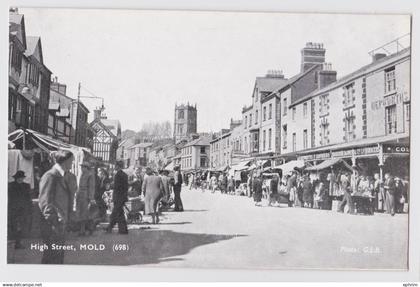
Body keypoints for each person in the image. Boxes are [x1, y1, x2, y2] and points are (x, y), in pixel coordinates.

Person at [38, 149, 75, 264]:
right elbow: (45, 203)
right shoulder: (50, 176)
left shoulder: (62, 176)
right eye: (71, 161)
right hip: (53, 226)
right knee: (51, 258)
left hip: (59, 225)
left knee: (57, 258)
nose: (72, 164)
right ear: (65, 161)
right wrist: (55, 223)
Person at [8, 170, 32, 249]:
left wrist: (29, 207)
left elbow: (28, 198)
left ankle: (18, 242)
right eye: (19, 178)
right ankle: (17, 242)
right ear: (16, 178)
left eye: (21, 178)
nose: (20, 179)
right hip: (14, 209)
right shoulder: (11, 186)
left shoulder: (26, 186)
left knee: (21, 226)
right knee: (15, 226)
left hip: (23, 209)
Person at [106, 161, 129, 234]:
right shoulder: (124, 174)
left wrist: (111, 186)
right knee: (119, 213)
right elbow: (125, 186)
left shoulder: (118, 175)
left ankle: (112, 228)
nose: (115, 167)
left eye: (115, 166)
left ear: (118, 166)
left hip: (118, 196)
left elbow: (117, 186)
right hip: (122, 196)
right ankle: (121, 229)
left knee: (116, 213)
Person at [75, 162, 96, 236]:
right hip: (80, 194)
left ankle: (87, 229)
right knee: (81, 213)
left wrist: (91, 198)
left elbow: (91, 187)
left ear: (86, 168)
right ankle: (83, 229)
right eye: (81, 167)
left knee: (85, 213)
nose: (81, 168)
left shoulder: (90, 175)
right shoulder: (82, 174)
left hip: (85, 195)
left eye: (83, 167)